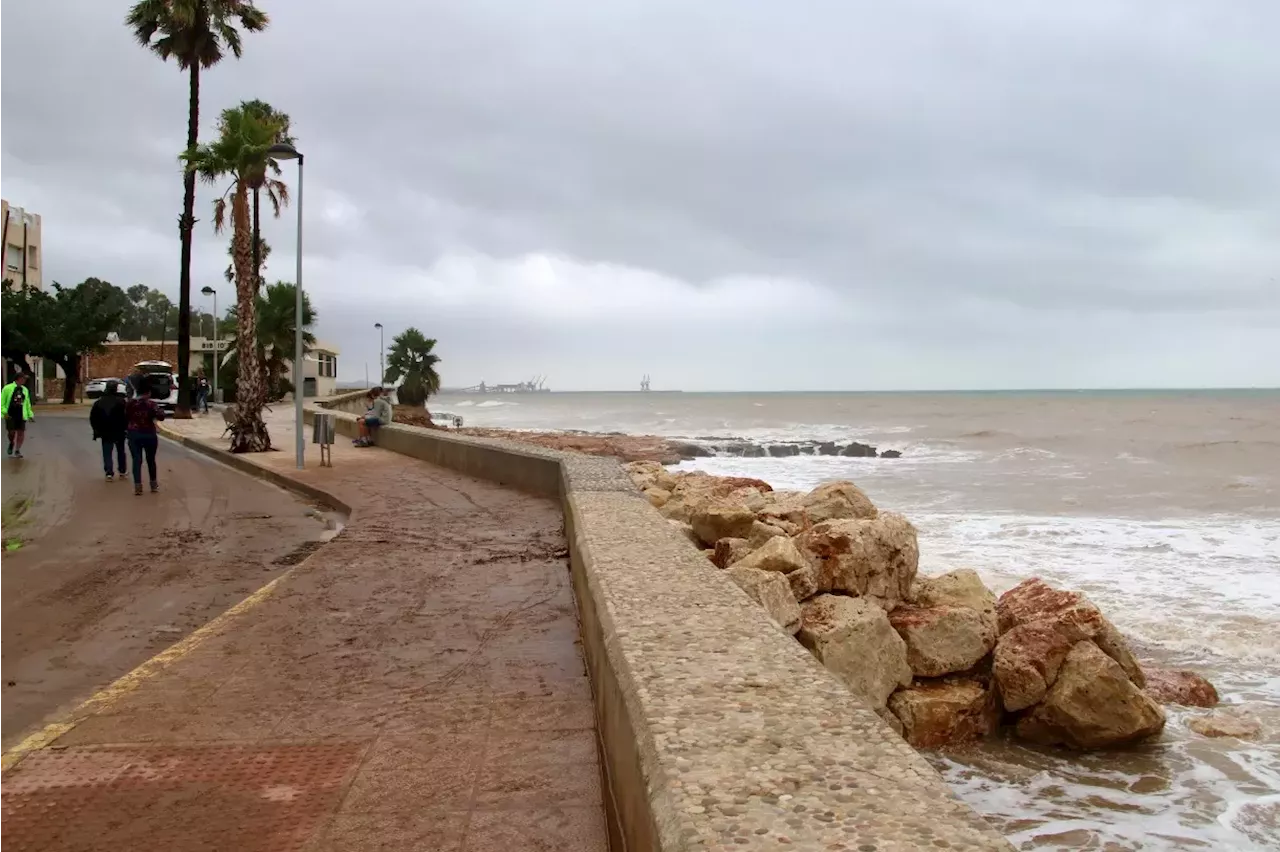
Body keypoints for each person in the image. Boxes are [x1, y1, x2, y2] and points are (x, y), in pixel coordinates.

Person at [124, 379, 165, 495]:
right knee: (151, 460)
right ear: (148, 392)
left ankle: (138, 486)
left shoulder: (130, 404)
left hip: (134, 433)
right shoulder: (152, 404)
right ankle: (153, 485)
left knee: (136, 460)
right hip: (149, 434)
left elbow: (125, 417)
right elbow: (161, 416)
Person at [90, 380, 129, 481]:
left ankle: (109, 472)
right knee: (121, 451)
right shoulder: (121, 402)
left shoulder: (99, 402)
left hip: (105, 431)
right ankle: (122, 470)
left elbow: (93, 418)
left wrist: (96, 429)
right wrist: (126, 428)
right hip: (119, 430)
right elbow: (126, 417)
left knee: (107, 452)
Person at [1, 373, 34, 459]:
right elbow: (2, 402)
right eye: (23, 379)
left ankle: (17, 450)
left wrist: (30, 414)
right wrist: (4, 412)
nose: (24, 380)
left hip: (21, 414)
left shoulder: (25, 390)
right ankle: (11, 443)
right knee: (11, 432)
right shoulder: (7, 388)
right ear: (18, 379)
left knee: (21, 432)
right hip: (10, 414)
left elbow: (27, 403)